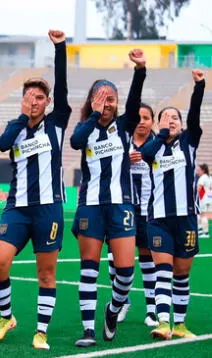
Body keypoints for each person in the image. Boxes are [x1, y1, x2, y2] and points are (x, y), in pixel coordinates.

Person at [0, 30, 70, 351]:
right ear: (22, 100)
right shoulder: (16, 127)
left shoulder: (57, 123)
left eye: (39, 98)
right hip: (16, 207)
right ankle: (6, 317)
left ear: (47, 102)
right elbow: (2, 145)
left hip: (48, 208)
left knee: (46, 274)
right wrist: (22, 117)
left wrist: (60, 48)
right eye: (29, 97)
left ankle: (41, 331)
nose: (34, 102)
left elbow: (61, 85)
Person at [70, 49, 146, 347]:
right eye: (101, 97)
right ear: (91, 100)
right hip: (90, 205)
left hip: (120, 205)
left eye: (111, 98)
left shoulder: (125, 126)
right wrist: (94, 113)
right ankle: (88, 330)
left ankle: (113, 310)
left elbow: (136, 100)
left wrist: (140, 70)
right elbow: (76, 142)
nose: (108, 102)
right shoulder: (84, 129)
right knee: (89, 268)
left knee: (125, 273)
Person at [140, 70, 205, 340]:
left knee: (182, 272)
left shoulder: (189, 143)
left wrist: (199, 87)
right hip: (159, 219)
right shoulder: (154, 148)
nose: (172, 121)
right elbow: (144, 153)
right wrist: (161, 134)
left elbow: (194, 118)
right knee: (163, 269)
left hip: (187, 218)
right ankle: (163, 323)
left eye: (175, 118)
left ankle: (179, 324)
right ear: (158, 124)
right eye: (166, 118)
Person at [107, 103, 158, 327]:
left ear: (152, 122)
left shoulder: (159, 144)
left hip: (149, 209)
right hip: (122, 207)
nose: (142, 121)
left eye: (146, 117)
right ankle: (122, 302)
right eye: (138, 117)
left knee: (148, 259)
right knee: (113, 259)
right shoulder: (120, 140)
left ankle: (151, 309)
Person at [195, 164, 210, 238]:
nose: (197, 172)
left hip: (202, 198)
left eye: (199, 170)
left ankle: (205, 233)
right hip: (206, 198)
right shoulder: (207, 177)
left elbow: (198, 188)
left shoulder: (202, 178)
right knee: (201, 214)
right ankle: (201, 230)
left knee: (202, 215)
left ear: (203, 170)